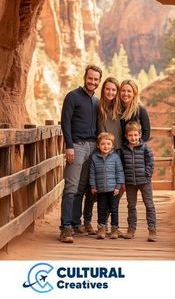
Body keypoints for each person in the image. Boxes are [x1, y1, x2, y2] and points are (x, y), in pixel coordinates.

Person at [59, 64, 102, 243]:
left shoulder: (96, 101)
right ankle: (65, 228)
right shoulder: (72, 96)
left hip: (93, 147)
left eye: (96, 79)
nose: (92, 82)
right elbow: (65, 122)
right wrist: (69, 145)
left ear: (98, 81)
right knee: (71, 188)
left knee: (82, 189)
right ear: (85, 77)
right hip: (76, 146)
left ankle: (76, 224)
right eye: (90, 78)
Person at [120, 121, 157, 242]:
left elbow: (150, 162)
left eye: (135, 135)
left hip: (144, 181)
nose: (133, 138)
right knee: (131, 206)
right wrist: (123, 179)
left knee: (149, 205)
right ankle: (131, 229)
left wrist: (147, 175)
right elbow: (121, 165)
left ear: (140, 135)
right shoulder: (123, 149)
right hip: (130, 182)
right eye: (130, 135)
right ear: (126, 136)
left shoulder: (145, 147)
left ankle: (152, 229)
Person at [89, 131, 125, 240]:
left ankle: (114, 229)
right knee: (101, 209)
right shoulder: (95, 158)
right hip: (100, 189)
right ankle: (101, 229)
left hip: (113, 189)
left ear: (113, 146)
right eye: (103, 144)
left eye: (108, 144)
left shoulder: (115, 157)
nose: (106, 146)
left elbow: (120, 172)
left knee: (114, 209)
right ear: (98, 145)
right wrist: (93, 186)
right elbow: (92, 173)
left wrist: (118, 186)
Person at [98, 76, 123, 150]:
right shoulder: (98, 106)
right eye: (107, 89)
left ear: (117, 91)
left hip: (118, 148)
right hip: (103, 149)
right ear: (103, 90)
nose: (110, 92)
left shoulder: (120, 107)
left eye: (113, 90)